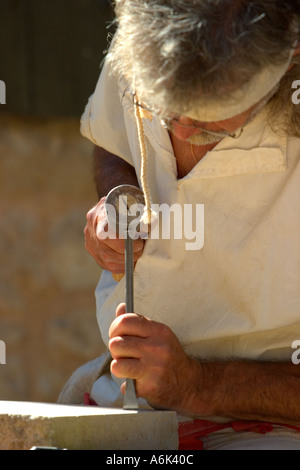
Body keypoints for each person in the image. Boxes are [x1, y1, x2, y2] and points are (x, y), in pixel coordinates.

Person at [59, 0, 300, 449]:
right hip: (123, 404)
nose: (183, 134)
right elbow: (116, 140)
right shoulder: (143, 34)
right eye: (163, 111)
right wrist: (119, 196)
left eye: (210, 125)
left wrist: (197, 384)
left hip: (265, 429)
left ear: (291, 56)